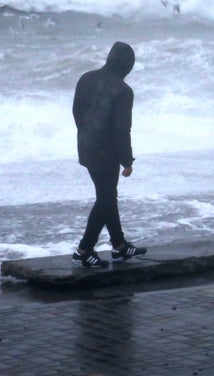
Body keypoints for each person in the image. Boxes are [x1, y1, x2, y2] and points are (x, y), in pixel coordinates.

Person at [72, 41, 147, 268]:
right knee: (105, 199)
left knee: (107, 196)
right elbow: (121, 129)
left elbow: (76, 111)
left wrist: (87, 134)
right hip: (107, 153)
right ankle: (84, 249)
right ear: (127, 66)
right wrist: (127, 159)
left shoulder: (86, 78)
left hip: (86, 146)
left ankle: (120, 245)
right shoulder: (123, 91)